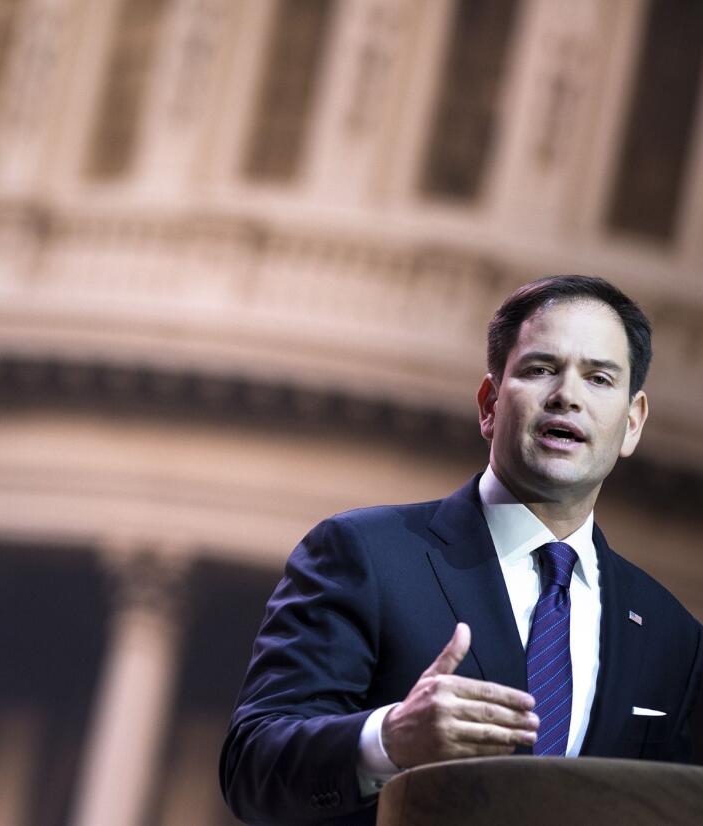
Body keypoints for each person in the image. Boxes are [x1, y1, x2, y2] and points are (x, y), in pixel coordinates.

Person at [219, 275, 703, 825]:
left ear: (633, 422)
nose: (567, 395)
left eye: (598, 378)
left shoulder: (673, 635)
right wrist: (390, 738)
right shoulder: (366, 556)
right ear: (489, 403)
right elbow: (251, 764)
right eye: (541, 369)